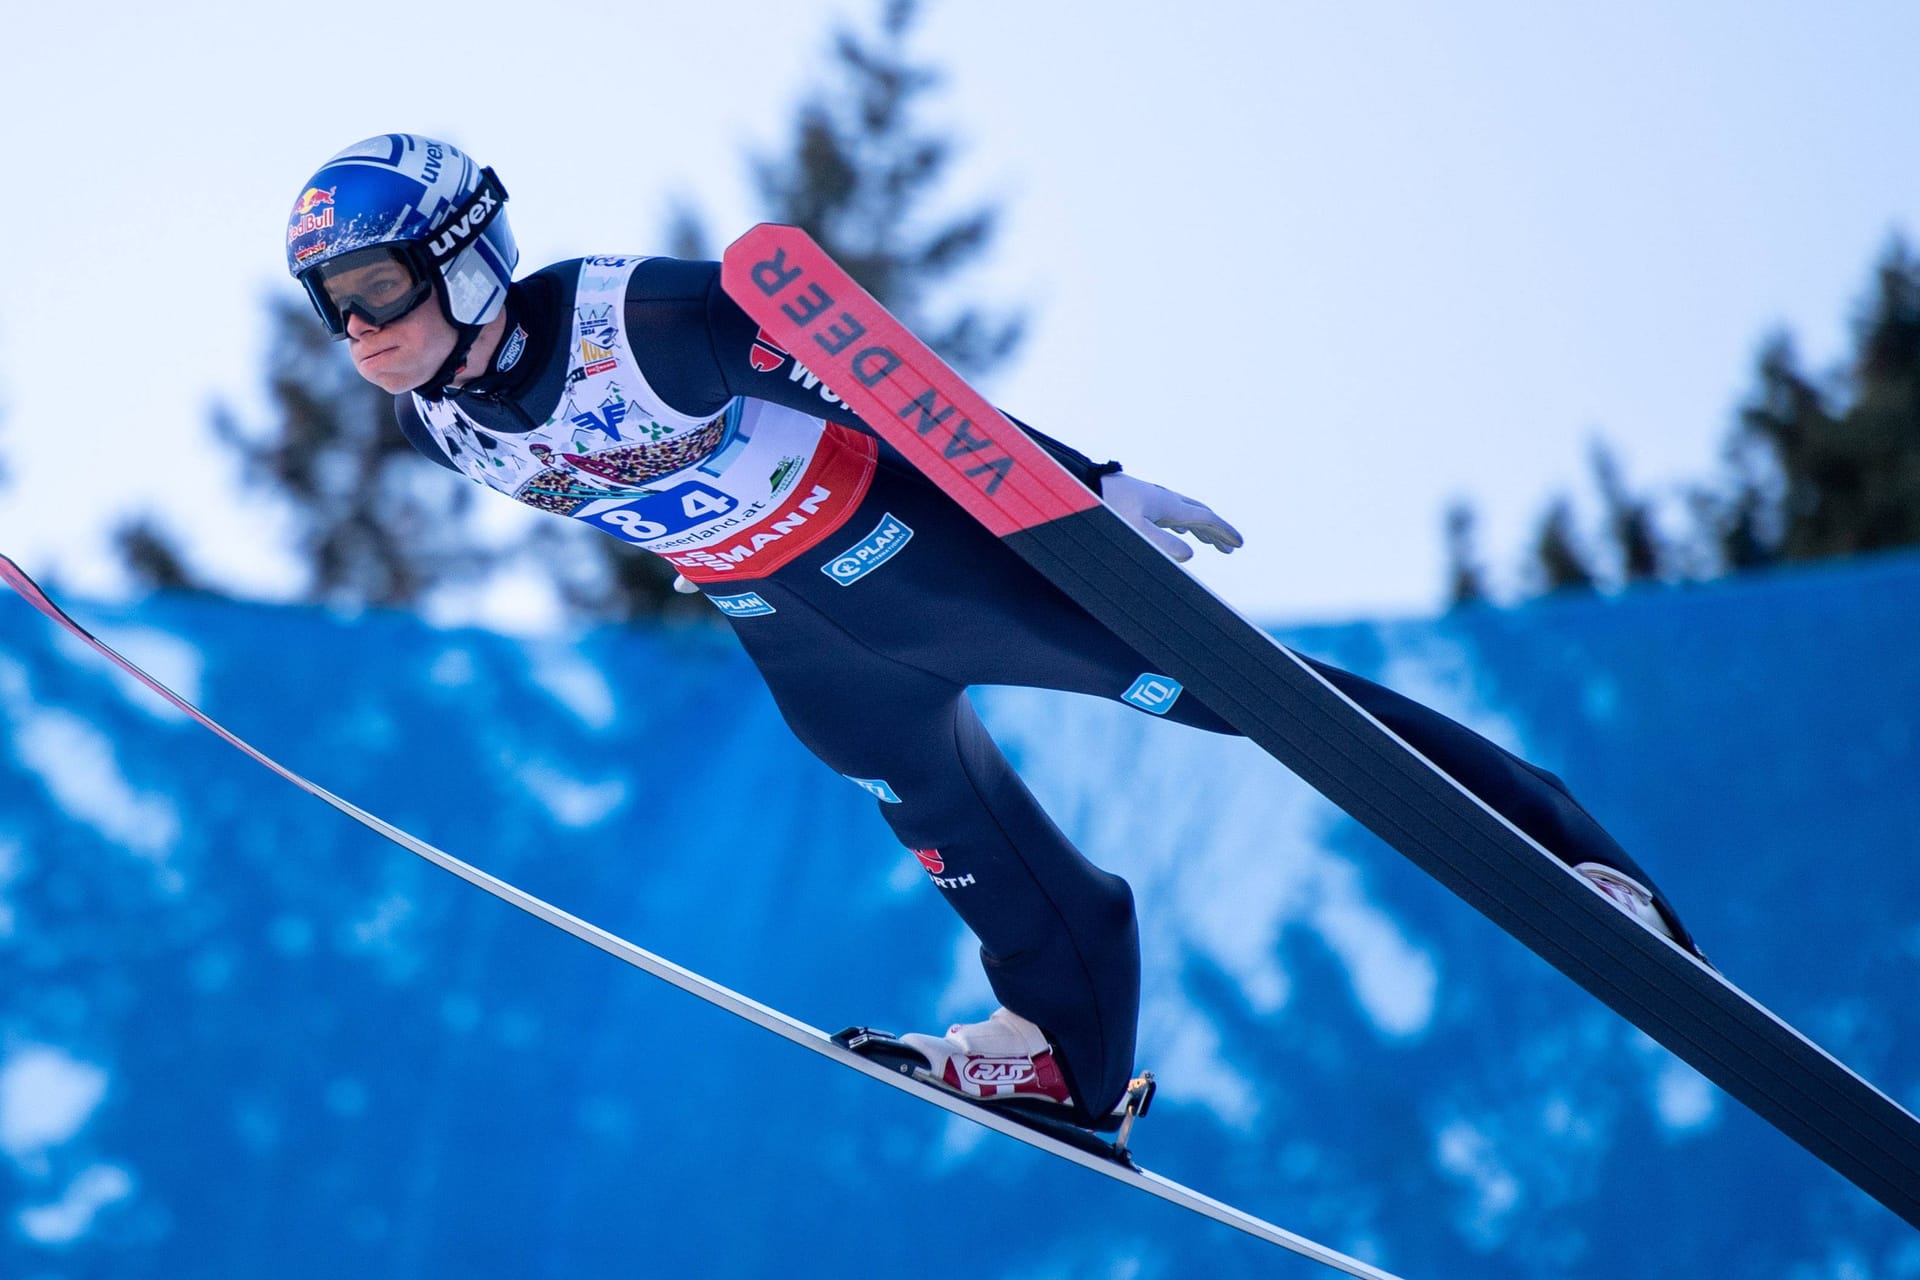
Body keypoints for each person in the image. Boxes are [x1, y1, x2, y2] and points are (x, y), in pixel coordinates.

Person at [285, 134, 1705, 1131]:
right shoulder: (442, 430)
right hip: (802, 641)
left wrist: (1082, 487)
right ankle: (1065, 1057)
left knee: (1256, 704)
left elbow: (883, 386)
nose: (359, 331)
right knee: (952, 823)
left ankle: (1565, 850)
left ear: (468, 257)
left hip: (936, 566)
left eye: (378, 288)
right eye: (333, 307)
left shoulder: (643, 317)